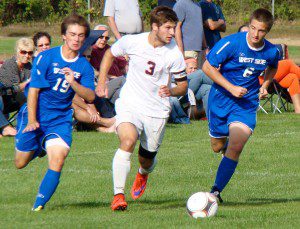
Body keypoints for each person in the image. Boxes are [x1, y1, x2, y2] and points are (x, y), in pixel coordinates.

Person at [96, 6, 188, 211]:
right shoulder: (133, 41)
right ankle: (118, 195)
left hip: (157, 111)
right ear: (155, 27)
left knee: (146, 159)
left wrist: (171, 91)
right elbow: (110, 54)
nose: (172, 33)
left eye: (173, 28)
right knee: (127, 140)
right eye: (168, 28)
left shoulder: (174, 54)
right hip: (131, 103)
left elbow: (183, 86)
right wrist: (101, 82)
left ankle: (143, 173)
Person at [14, 14, 95, 211]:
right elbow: (33, 90)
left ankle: (38, 206)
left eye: (81, 35)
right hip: (36, 113)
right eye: (72, 34)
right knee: (20, 163)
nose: (76, 39)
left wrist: (73, 83)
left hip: (60, 119)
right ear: (63, 36)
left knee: (58, 159)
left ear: (84, 38)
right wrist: (32, 120)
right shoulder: (46, 57)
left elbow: (91, 96)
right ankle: (40, 146)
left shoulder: (84, 66)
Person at [202, 8, 279, 202]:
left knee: (236, 146)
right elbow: (207, 67)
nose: (255, 34)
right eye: (253, 28)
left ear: (267, 31)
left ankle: (215, 192)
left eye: (261, 31)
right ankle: (225, 149)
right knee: (216, 146)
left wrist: (266, 85)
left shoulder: (271, 50)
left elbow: (273, 66)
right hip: (220, 100)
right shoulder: (231, 43)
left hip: (245, 104)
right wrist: (231, 87)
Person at [239, 25, 300, 113]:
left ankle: (298, 111)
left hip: (268, 77)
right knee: (288, 63)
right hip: (256, 80)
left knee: (292, 77)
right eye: (243, 33)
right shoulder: (239, 50)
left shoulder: (258, 48)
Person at [0, 38, 34, 137]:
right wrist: (29, 82)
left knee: (36, 97)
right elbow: (13, 89)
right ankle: (5, 128)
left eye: (30, 53)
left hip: (15, 100)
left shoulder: (28, 66)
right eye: (23, 52)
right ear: (17, 51)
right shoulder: (9, 65)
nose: (27, 55)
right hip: (5, 99)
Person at [173, 0, 207, 68]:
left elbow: (200, 27)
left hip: (199, 50)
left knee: (198, 76)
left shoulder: (197, 5)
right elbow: (176, 27)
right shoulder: (181, 4)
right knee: (189, 76)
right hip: (187, 51)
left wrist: (205, 47)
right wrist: (180, 51)